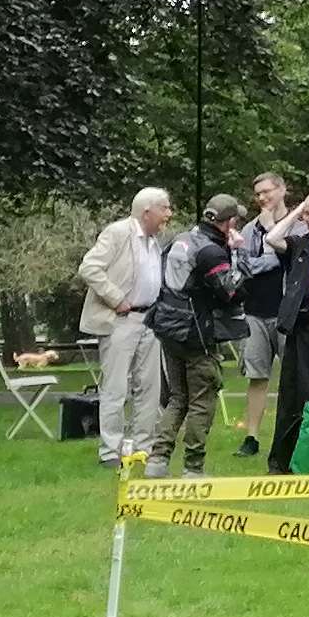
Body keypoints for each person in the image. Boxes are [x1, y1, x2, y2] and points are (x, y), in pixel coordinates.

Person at [144, 194, 250, 477]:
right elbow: (232, 292)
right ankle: (193, 467)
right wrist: (239, 253)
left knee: (178, 397)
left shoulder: (180, 239)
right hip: (196, 334)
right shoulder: (210, 252)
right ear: (229, 223)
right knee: (202, 400)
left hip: (168, 327)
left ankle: (157, 460)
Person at [76, 187, 173, 465]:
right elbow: (89, 267)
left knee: (150, 387)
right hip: (120, 320)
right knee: (116, 388)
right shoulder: (118, 233)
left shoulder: (155, 240)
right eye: (165, 208)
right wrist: (116, 298)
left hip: (150, 320)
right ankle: (110, 451)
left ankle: (144, 447)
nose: (169, 214)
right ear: (147, 211)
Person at [263, 185, 309, 474]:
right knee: (290, 393)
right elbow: (272, 238)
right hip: (297, 325)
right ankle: (281, 461)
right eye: (308, 213)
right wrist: (296, 212)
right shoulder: (299, 244)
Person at [230, 169, 294, 459]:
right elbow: (242, 265)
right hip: (254, 312)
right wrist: (262, 259)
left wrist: (270, 237)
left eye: (267, 191)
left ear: (282, 190)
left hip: (287, 313)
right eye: (258, 194)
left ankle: (291, 435)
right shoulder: (249, 229)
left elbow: (284, 259)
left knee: (293, 377)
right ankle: (251, 437)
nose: (262, 198)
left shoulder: (297, 224)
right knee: (256, 377)